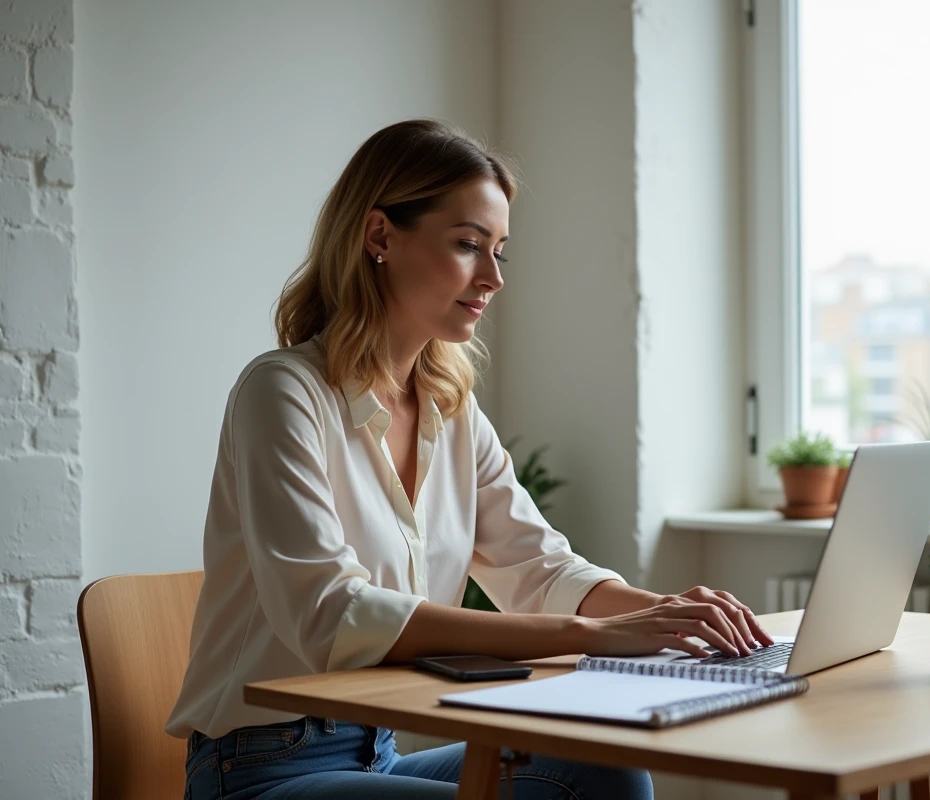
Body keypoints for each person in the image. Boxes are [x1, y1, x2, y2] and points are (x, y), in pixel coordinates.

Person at [165, 119, 773, 800]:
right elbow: (330, 613)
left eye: (499, 252)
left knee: (607, 772)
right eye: (468, 245)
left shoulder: (450, 411)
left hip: (377, 753)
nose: (494, 277)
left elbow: (539, 568)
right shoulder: (281, 393)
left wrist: (673, 617)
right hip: (259, 769)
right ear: (379, 236)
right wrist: (594, 634)